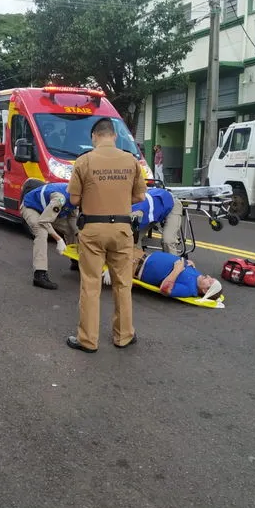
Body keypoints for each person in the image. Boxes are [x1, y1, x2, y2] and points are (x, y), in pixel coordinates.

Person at [65, 118, 147, 353]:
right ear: (114, 136)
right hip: (122, 229)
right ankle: (123, 336)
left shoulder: (84, 161)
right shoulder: (131, 161)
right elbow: (140, 197)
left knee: (91, 284)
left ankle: (88, 340)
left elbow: (73, 200)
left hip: (92, 229)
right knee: (123, 284)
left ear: (94, 137)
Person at [20, 182, 79, 290]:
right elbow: (44, 221)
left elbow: (72, 219)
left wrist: (78, 233)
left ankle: (75, 261)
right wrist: (59, 239)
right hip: (32, 207)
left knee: (71, 230)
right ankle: (39, 274)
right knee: (42, 232)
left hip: (47, 211)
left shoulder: (77, 198)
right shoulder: (60, 198)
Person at [133, 249, 223, 300]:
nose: (208, 276)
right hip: (141, 254)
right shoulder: (198, 276)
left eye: (210, 281)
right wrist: (189, 263)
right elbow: (187, 267)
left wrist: (177, 269)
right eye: (211, 278)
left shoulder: (189, 290)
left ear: (205, 291)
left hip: (135, 267)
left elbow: (165, 289)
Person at [131, 187, 184, 255]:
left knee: (168, 240)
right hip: (154, 208)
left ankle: (173, 263)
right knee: (133, 240)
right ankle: (140, 261)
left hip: (171, 204)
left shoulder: (138, 210)